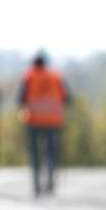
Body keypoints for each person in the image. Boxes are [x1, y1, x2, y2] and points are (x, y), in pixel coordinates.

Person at [18, 52, 71, 197]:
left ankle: (36, 184)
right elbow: (67, 98)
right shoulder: (56, 77)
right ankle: (50, 180)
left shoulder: (28, 76)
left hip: (33, 120)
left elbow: (21, 98)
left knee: (35, 153)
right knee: (51, 152)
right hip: (53, 121)